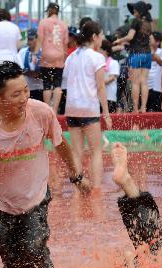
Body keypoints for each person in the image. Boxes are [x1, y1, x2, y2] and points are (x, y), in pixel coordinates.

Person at [0, 62, 90, 268]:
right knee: (9, 255)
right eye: (16, 94)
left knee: (33, 247)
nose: (24, 98)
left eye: (26, 90)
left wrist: (77, 176)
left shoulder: (41, 113)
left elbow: (61, 146)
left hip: (34, 197)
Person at [63, 20, 112, 190]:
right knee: (96, 152)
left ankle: (79, 190)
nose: (101, 40)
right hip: (89, 109)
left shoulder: (71, 57)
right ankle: (97, 189)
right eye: (100, 36)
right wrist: (106, 113)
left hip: (71, 109)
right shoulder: (97, 57)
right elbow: (100, 87)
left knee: (77, 152)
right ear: (94, 37)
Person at [114, 1, 154, 113]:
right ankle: (144, 108)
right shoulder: (148, 23)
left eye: (135, 10)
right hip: (147, 54)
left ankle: (135, 109)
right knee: (144, 82)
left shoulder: (136, 21)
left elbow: (130, 36)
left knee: (135, 82)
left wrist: (119, 40)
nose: (134, 12)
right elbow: (150, 40)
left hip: (136, 54)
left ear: (139, 11)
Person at [37, 2, 69, 113]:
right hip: (59, 55)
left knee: (46, 83)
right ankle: (55, 109)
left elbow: (39, 39)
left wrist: (34, 54)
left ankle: (47, 108)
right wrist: (65, 56)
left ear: (49, 10)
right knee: (57, 83)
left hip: (46, 55)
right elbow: (65, 43)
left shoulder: (43, 23)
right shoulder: (63, 24)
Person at [19, 29, 43, 101]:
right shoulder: (22, 52)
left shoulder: (43, 52)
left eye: (31, 39)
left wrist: (39, 75)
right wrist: (28, 73)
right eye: (28, 39)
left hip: (40, 88)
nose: (29, 42)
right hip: (26, 89)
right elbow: (18, 69)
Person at [146, 31, 162, 112]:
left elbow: (161, 63)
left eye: (151, 39)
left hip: (156, 86)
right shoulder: (145, 52)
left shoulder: (161, 52)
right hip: (146, 85)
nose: (149, 41)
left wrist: (152, 52)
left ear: (157, 42)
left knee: (155, 109)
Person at [100, 40, 119, 114]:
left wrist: (99, 83)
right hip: (99, 97)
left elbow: (112, 78)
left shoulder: (113, 62)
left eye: (100, 49)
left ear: (106, 51)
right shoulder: (98, 62)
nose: (98, 51)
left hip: (110, 96)